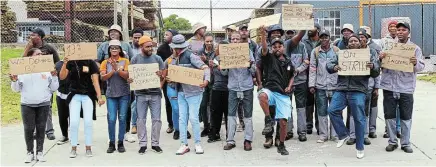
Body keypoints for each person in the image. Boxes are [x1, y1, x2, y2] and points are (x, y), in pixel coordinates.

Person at [327, 34, 380, 159]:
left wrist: (373, 67)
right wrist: (334, 67)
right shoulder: (341, 54)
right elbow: (329, 65)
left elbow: (377, 71)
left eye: (355, 40)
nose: (353, 43)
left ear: (360, 43)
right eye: (350, 41)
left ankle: (360, 147)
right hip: (341, 89)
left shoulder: (368, 55)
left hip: (359, 90)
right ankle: (343, 134)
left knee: (359, 118)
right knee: (332, 110)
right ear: (347, 44)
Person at [380, 22, 425, 153]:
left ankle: (405, 143)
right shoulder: (388, 47)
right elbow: (380, 65)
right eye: (398, 30)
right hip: (389, 86)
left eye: (403, 30)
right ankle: (392, 142)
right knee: (389, 116)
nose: (400, 32)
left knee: (406, 117)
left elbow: (421, 67)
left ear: (408, 32)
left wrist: (416, 63)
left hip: (406, 88)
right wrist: (380, 58)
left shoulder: (415, 49)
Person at [11, 48, 59, 163]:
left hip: (43, 104)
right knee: (28, 129)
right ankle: (29, 152)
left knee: (41, 128)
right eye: (38, 54)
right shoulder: (22, 71)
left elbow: (54, 88)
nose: (40, 55)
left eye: (41, 54)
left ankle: (40, 152)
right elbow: (16, 89)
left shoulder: (47, 70)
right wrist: (14, 80)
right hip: (27, 104)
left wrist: (54, 77)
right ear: (30, 56)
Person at [168, 34, 210, 155]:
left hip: (194, 92)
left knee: (193, 118)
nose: (176, 50)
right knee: (182, 118)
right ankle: (183, 144)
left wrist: (206, 80)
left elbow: (205, 68)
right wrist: (170, 79)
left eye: (177, 48)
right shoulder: (175, 59)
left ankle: (197, 143)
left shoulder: (191, 56)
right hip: (181, 92)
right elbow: (176, 76)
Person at [258, 25, 295, 155]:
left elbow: (292, 76)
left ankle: (281, 144)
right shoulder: (268, 58)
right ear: (271, 48)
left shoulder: (288, 62)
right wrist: (263, 35)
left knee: (283, 122)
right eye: (274, 47)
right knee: (262, 96)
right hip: (270, 90)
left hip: (283, 94)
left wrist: (290, 86)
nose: (277, 48)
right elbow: (263, 48)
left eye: (279, 46)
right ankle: (268, 120)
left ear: (283, 48)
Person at [59, 54, 105, 158]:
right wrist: (65, 63)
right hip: (74, 95)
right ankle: (73, 147)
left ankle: (88, 147)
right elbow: (62, 76)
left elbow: (95, 80)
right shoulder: (71, 62)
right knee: (74, 122)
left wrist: (99, 97)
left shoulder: (91, 62)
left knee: (88, 122)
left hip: (87, 95)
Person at [128, 35, 165, 154]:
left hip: (155, 93)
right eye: (147, 46)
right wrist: (130, 80)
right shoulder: (134, 59)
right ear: (141, 47)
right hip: (140, 94)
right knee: (140, 120)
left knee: (157, 119)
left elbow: (164, 74)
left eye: (151, 46)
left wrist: (161, 79)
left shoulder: (158, 59)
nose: (150, 48)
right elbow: (131, 76)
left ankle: (155, 144)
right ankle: (143, 144)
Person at [220, 32, 256, 151]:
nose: (235, 41)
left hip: (247, 86)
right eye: (232, 39)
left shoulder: (248, 51)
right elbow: (224, 73)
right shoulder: (226, 53)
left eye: (237, 39)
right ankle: (230, 140)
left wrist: (250, 65)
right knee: (231, 114)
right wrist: (223, 66)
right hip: (233, 87)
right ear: (230, 40)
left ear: (241, 40)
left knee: (248, 114)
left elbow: (254, 71)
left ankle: (248, 140)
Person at [23, 28, 59, 140]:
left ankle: (49, 131)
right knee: (33, 106)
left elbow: (57, 62)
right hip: (33, 80)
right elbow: (22, 61)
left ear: (40, 37)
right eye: (31, 34)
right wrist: (28, 47)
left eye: (34, 34)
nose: (31, 36)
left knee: (47, 105)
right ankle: (36, 131)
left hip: (46, 80)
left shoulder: (49, 48)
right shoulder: (29, 47)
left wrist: (53, 73)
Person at [346, 30, 379, 146]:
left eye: (361, 38)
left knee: (364, 112)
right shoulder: (346, 53)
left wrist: (376, 86)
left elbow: (377, 70)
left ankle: (364, 135)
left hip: (366, 87)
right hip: (351, 87)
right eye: (356, 38)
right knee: (351, 112)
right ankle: (352, 135)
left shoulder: (371, 52)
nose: (360, 39)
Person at [308, 29, 339, 143]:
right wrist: (312, 84)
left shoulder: (336, 51)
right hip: (320, 86)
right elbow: (312, 69)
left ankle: (335, 135)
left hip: (335, 86)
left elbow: (341, 66)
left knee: (335, 111)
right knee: (322, 111)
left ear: (329, 38)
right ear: (319, 38)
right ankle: (323, 135)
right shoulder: (315, 52)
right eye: (322, 37)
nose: (324, 39)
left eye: (326, 37)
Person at [100, 40, 131, 153]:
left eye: (116, 48)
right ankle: (112, 142)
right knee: (112, 119)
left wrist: (117, 68)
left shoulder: (125, 61)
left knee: (122, 118)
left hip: (124, 93)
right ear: (109, 50)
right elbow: (103, 77)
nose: (114, 49)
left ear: (120, 49)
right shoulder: (105, 62)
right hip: (111, 94)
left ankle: (121, 142)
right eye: (112, 48)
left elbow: (127, 75)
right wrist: (112, 70)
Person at [284, 30, 309, 142]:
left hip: (300, 81)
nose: (290, 35)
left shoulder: (302, 46)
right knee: (287, 107)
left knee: (301, 107)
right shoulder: (283, 46)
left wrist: (298, 70)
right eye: (288, 33)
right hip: (286, 82)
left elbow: (306, 61)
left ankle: (302, 132)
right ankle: (288, 131)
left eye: (292, 32)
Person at [380, 20, 402, 139]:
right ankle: (388, 129)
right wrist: (381, 57)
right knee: (389, 105)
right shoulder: (383, 41)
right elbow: (379, 56)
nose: (393, 28)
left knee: (399, 105)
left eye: (395, 26)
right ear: (388, 29)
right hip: (388, 76)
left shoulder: (403, 41)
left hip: (400, 77)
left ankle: (398, 128)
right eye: (391, 26)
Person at [157, 29, 179, 134]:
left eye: (167, 34)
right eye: (164, 34)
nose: (164, 36)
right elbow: (161, 66)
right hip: (167, 80)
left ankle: (179, 125)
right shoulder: (161, 49)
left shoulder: (182, 48)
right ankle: (171, 124)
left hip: (180, 80)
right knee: (169, 103)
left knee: (180, 104)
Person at [208, 41, 229, 143]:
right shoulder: (215, 58)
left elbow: (226, 73)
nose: (218, 49)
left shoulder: (231, 59)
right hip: (216, 88)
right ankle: (215, 133)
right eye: (217, 48)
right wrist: (211, 68)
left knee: (228, 113)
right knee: (215, 112)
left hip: (228, 89)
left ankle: (229, 135)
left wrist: (220, 66)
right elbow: (213, 75)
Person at [302, 23, 321, 135]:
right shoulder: (304, 42)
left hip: (320, 76)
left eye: (313, 28)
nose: (310, 30)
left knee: (319, 102)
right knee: (308, 102)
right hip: (307, 75)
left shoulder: (323, 41)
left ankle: (319, 126)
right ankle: (308, 125)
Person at [198, 33, 215, 137]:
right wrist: (202, 61)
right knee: (203, 105)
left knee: (212, 105)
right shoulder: (199, 52)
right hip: (203, 81)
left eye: (210, 41)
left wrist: (208, 62)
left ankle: (213, 126)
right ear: (204, 41)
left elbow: (218, 64)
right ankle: (206, 126)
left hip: (214, 82)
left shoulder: (216, 51)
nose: (209, 43)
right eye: (207, 41)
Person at [55, 56, 71, 145]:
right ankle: (64, 135)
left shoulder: (77, 63)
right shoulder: (58, 64)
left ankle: (73, 136)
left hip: (73, 94)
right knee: (62, 116)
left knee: (73, 117)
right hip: (61, 93)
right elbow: (61, 77)